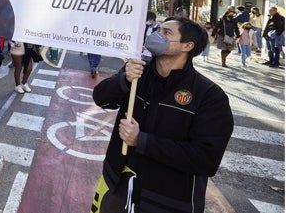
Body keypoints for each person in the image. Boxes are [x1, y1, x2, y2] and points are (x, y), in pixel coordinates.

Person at [90, 16, 233, 213]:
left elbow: (206, 159)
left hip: (166, 200)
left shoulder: (209, 95)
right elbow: (101, 98)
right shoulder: (137, 72)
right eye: (158, 31)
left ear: (187, 46)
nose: (157, 36)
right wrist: (124, 80)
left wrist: (142, 141)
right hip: (116, 184)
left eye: (167, 33)